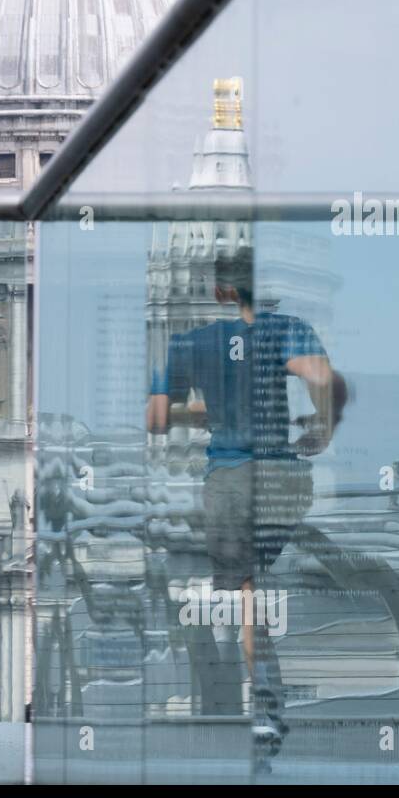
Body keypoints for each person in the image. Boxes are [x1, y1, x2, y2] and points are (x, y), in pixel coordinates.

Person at [146, 246, 346, 769]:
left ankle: (265, 704)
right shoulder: (289, 328)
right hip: (285, 477)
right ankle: (270, 694)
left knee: (246, 595)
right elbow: (322, 380)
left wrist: (206, 414)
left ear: (220, 291)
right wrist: (322, 427)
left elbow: (157, 418)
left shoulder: (190, 343)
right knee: (267, 577)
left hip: (230, 479)